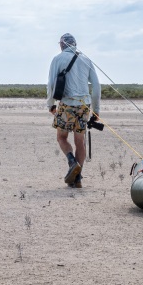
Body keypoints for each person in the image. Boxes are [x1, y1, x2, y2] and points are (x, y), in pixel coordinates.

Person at [46, 33, 101, 188]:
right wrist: (96, 110)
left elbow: (50, 84)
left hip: (67, 104)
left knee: (61, 138)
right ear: (75, 44)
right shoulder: (86, 59)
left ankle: (72, 163)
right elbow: (96, 88)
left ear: (62, 45)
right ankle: (77, 179)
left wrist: (51, 105)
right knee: (80, 142)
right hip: (84, 105)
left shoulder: (57, 59)